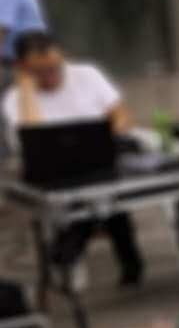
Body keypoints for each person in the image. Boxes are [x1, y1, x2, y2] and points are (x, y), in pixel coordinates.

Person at [2, 31, 144, 286]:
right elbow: (30, 137)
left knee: (103, 200)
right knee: (95, 207)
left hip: (100, 164)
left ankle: (65, 257)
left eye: (55, 66)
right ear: (23, 68)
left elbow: (121, 116)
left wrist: (108, 134)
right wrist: (26, 87)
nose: (52, 75)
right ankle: (120, 262)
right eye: (41, 71)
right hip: (53, 175)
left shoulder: (86, 75)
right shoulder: (15, 99)